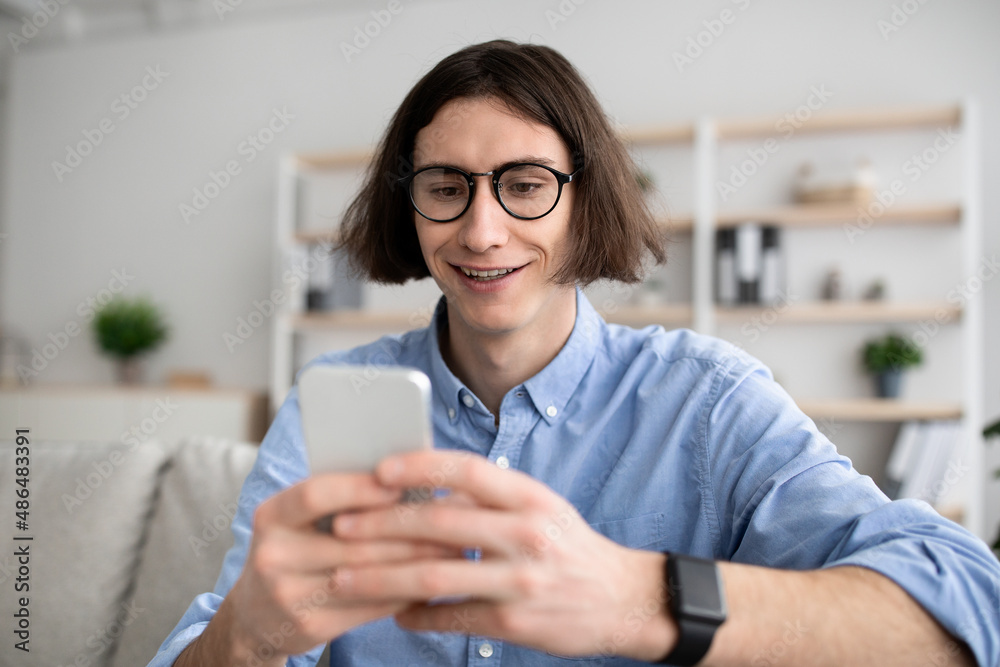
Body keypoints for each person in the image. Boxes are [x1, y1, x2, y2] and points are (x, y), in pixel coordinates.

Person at [152, 40, 1000, 667]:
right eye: (446, 188)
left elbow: (968, 604)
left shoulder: (705, 403)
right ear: (409, 207)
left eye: (525, 185)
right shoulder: (332, 396)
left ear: (583, 202)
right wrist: (247, 636)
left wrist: (639, 597)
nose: (482, 231)